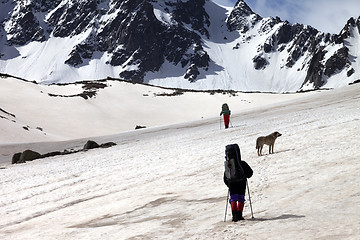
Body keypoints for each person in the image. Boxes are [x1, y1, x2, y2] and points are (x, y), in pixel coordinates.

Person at [224, 151, 253, 222]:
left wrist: (229, 184)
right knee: (241, 198)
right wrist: (245, 176)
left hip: (232, 184)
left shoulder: (228, 165)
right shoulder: (242, 163)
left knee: (233, 198)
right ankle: (239, 215)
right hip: (241, 183)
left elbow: (225, 178)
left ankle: (234, 216)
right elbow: (250, 173)